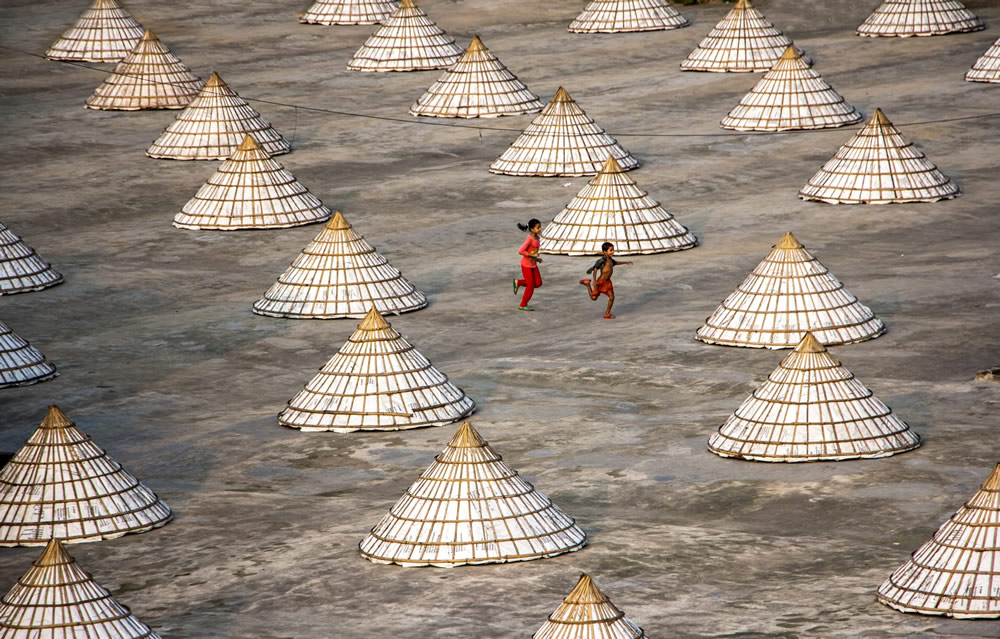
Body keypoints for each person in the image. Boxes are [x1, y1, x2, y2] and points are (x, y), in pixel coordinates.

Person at [580, 242, 631, 319]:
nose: (612, 252)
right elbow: (595, 268)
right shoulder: (602, 261)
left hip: (608, 283)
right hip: (600, 282)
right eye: (611, 250)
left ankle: (607, 314)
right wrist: (594, 280)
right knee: (594, 298)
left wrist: (625, 262)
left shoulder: (610, 260)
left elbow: (616, 263)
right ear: (605, 251)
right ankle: (587, 284)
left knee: (612, 297)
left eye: (613, 250)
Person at [513, 219, 543, 310]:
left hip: (533, 264)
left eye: (540, 227)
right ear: (532, 229)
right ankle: (523, 304)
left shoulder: (538, 238)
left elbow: (533, 251)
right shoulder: (529, 239)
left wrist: (537, 259)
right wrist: (531, 255)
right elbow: (521, 251)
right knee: (530, 285)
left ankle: (518, 282)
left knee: (538, 283)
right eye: (538, 228)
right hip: (526, 265)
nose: (540, 229)